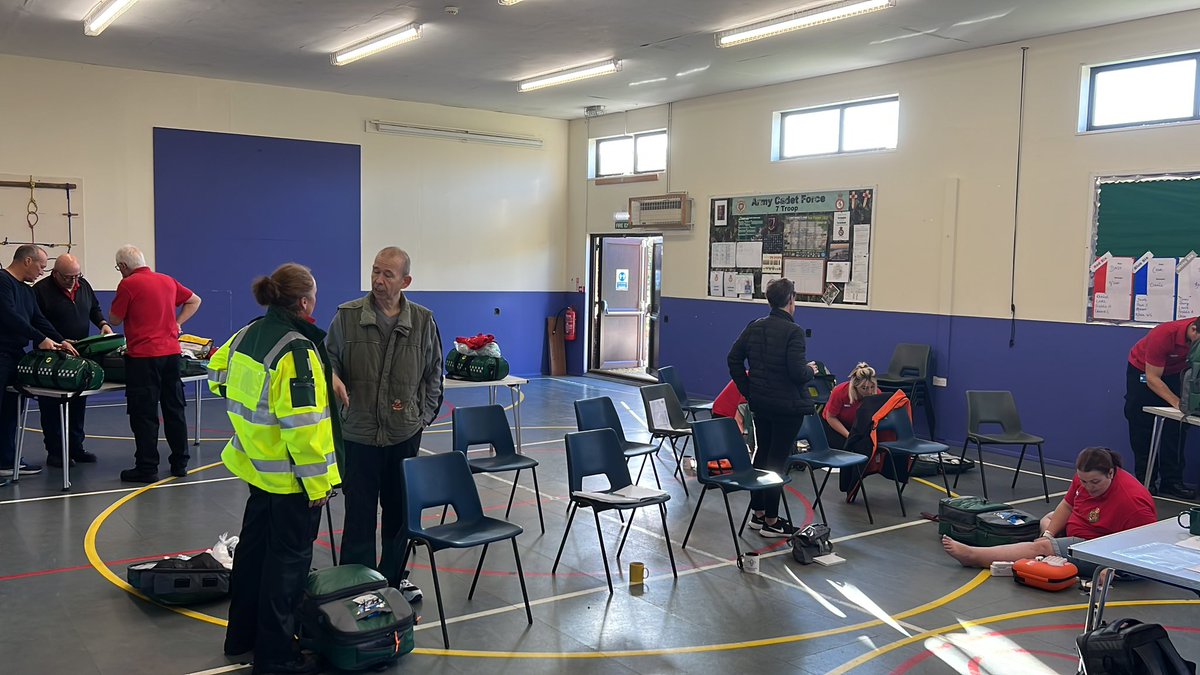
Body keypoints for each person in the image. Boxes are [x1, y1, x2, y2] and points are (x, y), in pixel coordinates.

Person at [209, 263, 337, 675]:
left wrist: (253, 424)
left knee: (252, 555)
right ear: (304, 302)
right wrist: (318, 485)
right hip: (291, 480)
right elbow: (303, 428)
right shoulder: (296, 351)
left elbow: (216, 374)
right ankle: (277, 656)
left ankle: (241, 637)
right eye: (314, 295)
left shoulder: (248, 334)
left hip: (257, 469)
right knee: (288, 567)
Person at [327, 247, 443, 602]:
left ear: (405, 281)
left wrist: (420, 418)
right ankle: (355, 585)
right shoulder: (347, 318)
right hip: (358, 435)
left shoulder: (423, 321)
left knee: (398, 515)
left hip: (403, 435)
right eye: (375, 272)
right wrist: (332, 377)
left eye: (387, 274)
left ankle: (394, 580)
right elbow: (326, 359)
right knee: (359, 514)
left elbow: (434, 375)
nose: (378, 280)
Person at [941, 447, 1156, 568]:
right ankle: (1050, 548)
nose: (1088, 487)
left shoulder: (1134, 504)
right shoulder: (1085, 478)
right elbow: (1067, 505)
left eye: (1095, 483)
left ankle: (973, 556)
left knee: (1040, 548)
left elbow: (1141, 553)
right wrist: (1048, 533)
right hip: (1079, 531)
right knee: (1050, 519)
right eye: (1083, 481)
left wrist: (1108, 571)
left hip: (1096, 546)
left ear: (1111, 473)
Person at [727, 277, 814, 538]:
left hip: (761, 403)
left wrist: (748, 390)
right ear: (790, 300)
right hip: (787, 407)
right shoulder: (794, 331)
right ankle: (772, 521)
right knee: (777, 460)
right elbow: (797, 373)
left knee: (763, 454)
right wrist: (810, 370)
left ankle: (758, 513)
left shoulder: (755, 326)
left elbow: (733, 359)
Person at [109, 245, 202, 483]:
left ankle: (147, 467)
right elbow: (194, 300)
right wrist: (176, 323)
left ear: (123, 267)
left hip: (143, 358)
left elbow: (115, 319)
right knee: (174, 409)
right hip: (171, 354)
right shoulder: (167, 280)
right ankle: (180, 462)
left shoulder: (128, 284)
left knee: (144, 414)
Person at [1, 245, 78, 480]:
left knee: (11, 411)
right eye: (41, 266)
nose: (42, 272)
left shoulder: (27, 290)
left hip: (15, 356)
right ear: (27, 261)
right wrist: (40, 339)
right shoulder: (3, 282)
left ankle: (6, 460)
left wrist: (59, 339)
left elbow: (38, 319)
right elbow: (8, 315)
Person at [32, 253, 113, 468]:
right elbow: (35, 322)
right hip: (52, 356)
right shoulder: (40, 291)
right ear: (56, 274)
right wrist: (58, 340)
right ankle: (56, 452)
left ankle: (76, 447)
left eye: (78, 276)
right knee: (51, 406)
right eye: (69, 277)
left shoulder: (83, 285)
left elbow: (94, 308)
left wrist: (102, 323)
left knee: (78, 401)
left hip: (79, 354)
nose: (74, 281)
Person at [1124, 316, 1199, 499]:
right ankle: (1145, 481)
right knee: (1141, 425)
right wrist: (1176, 402)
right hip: (1144, 372)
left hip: (1176, 373)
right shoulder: (1164, 334)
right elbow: (1152, 378)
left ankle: (1172, 481)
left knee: (1178, 427)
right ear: (1194, 330)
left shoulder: (1195, 337)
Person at [822, 362, 878, 449]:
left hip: (857, 427)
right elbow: (831, 417)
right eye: (864, 388)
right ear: (855, 386)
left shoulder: (876, 393)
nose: (870, 392)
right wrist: (849, 436)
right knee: (844, 447)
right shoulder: (840, 392)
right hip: (833, 424)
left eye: (872, 387)